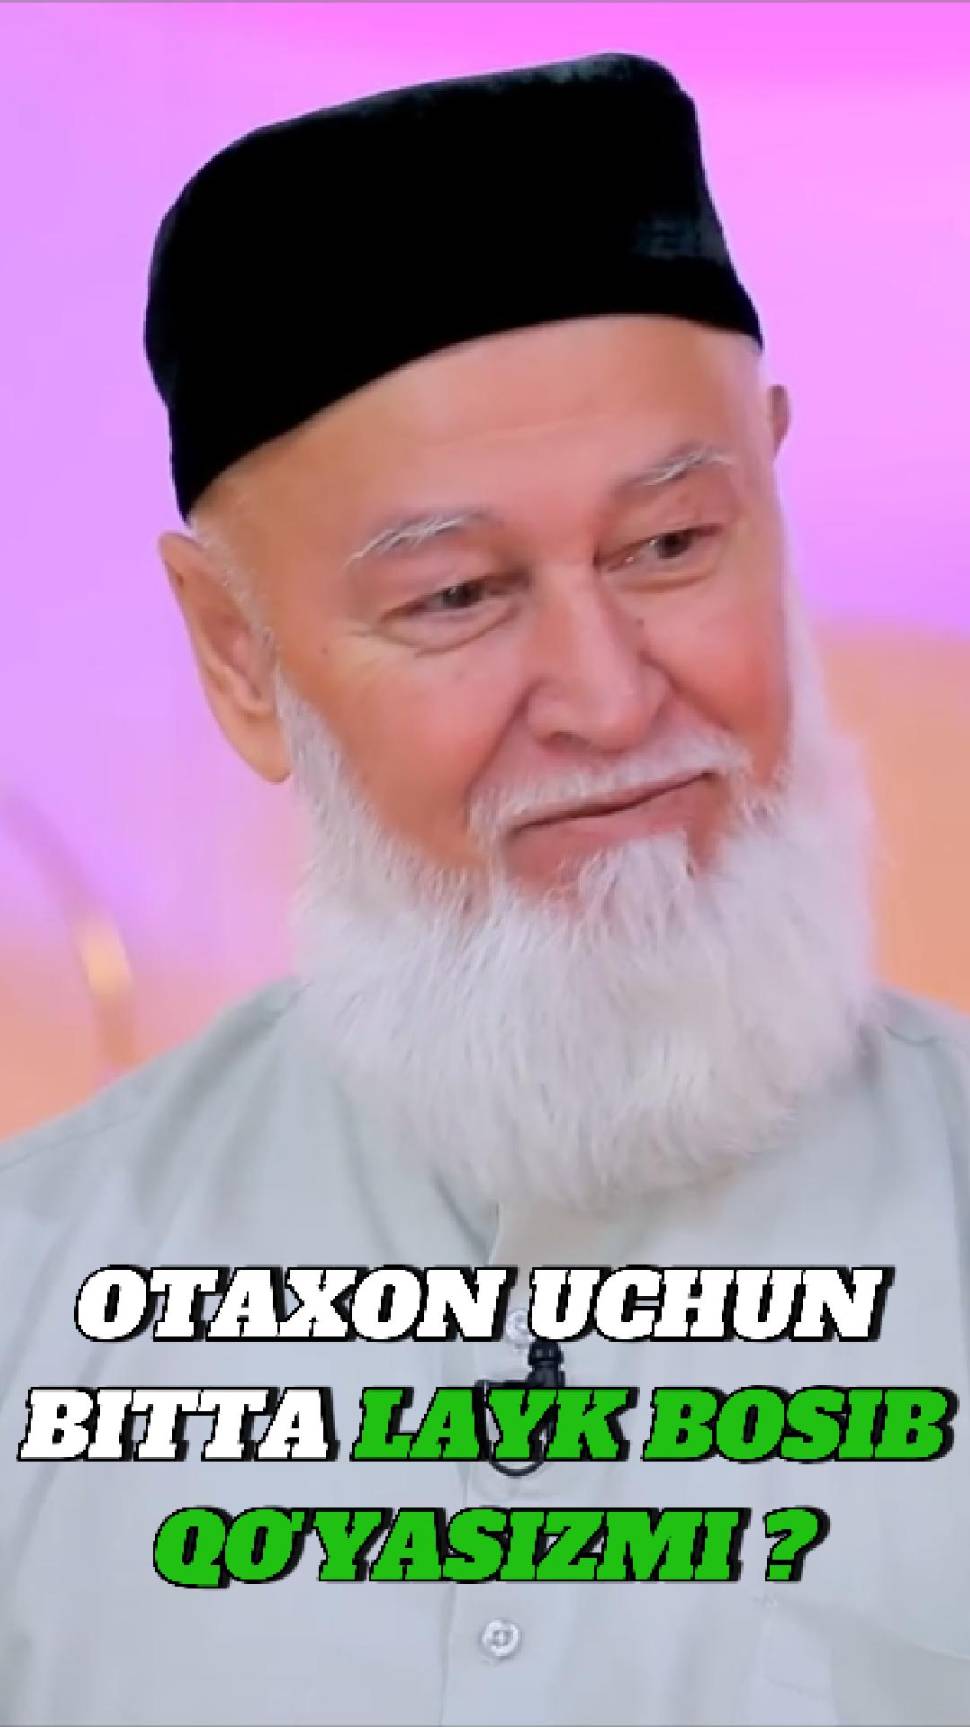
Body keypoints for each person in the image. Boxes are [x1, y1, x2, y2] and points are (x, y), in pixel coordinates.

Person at [1, 52, 968, 1727]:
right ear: (238, 656)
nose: (607, 697)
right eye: (454, 596)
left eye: (672, 546)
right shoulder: (38, 1296)